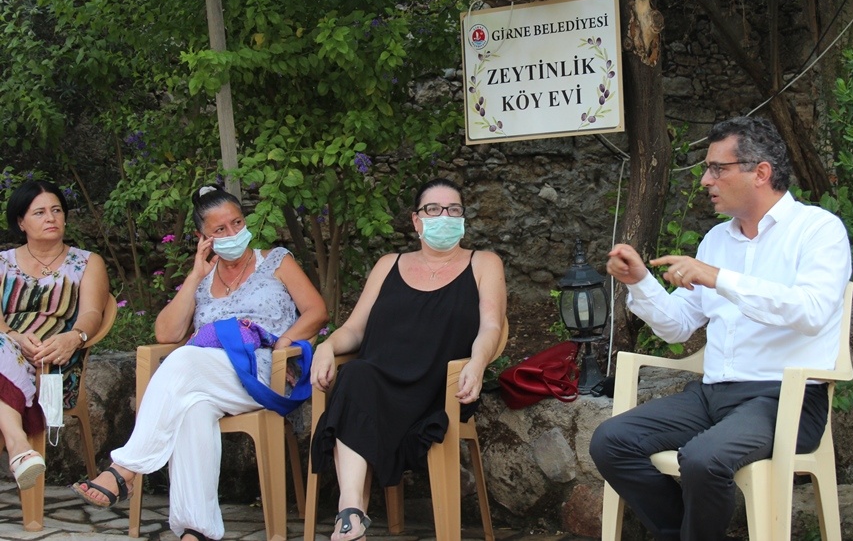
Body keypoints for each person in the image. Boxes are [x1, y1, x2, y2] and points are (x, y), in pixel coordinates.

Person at [591, 116, 852, 541]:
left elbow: (811, 312)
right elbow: (678, 327)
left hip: (785, 399)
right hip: (712, 395)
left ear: (760, 172)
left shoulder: (818, 230)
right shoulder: (716, 239)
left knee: (703, 459)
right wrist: (640, 282)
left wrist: (719, 278)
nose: (705, 180)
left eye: (717, 168)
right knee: (611, 441)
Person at [72, 184, 328, 541]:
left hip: (262, 372)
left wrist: (284, 342)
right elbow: (165, 332)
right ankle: (196, 530)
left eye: (237, 223)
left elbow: (317, 311)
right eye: (220, 229)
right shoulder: (204, 278)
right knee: (193, 409)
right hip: (205, 377)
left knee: (185, 358)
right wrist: (194, 275)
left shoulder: (275, 260)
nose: (233, 233)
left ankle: (124, 469)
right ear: (202, 238)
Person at [309, 178, 506, 541]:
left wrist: (478, 363)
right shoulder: (388, 264)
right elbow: (354, 329)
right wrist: (326, 346)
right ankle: (350, 513)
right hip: (378, 382)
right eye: (433, 209)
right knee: (355, 376)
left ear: (463, 218)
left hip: (439, 390)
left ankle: (350, 521)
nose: (444, 216)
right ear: (417, 220)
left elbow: (491, 326)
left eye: (453, 210)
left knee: (356, 386)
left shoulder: (484, 263)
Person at [0, 179, 109, 490]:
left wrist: (74, 338)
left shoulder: (87, 262)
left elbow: (92, 313)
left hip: (53, 363)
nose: (51, 218)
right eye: (40, 213)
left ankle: (18, 448)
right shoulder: (2, 263)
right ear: (21, 222)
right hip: (9, 347)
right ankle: (20, 446)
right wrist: (15, 337)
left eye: (56, 210)